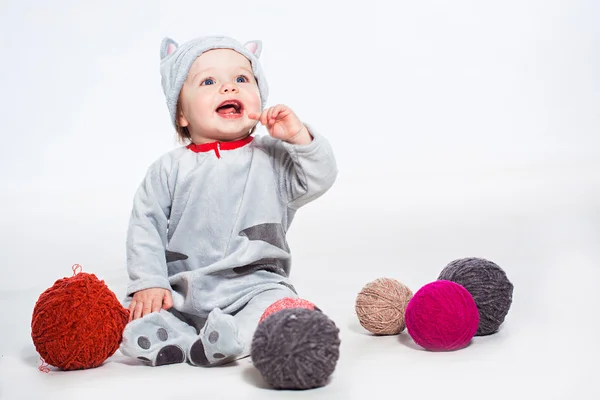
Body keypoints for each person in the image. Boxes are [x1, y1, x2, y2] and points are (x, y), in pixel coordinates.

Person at [118, 35, 338, 367]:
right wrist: (149, 282)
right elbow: (144, 226)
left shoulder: (273, 157)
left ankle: (230, 336)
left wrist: (298, 138)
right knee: (147, 308)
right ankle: (171, 337)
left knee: (280, 304)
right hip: (185, 289)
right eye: (208, 81)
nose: (229, 88)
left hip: (255, 285)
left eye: (241, 79)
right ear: (181, 115)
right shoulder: (168, 169)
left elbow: (319, 178)